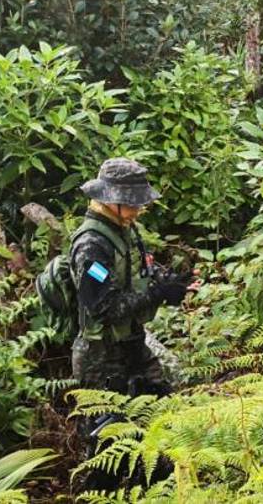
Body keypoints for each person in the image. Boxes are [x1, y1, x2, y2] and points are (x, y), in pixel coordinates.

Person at [70, 158, 191, 398]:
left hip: (133, 344)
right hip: (101, 359)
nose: (137, 210)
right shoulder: (91, 246)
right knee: (108, 431)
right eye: (131, 203)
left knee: (163, 409)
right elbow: (105, 307)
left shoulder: (124, 229)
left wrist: (171, 282)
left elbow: (140, 268)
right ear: (110, 200)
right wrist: (157, 294)